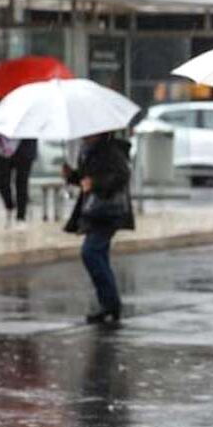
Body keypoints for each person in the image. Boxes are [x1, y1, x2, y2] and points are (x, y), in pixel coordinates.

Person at [63, 131, 135, 326]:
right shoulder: (89, 151)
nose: (85, 135)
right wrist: (73, 176)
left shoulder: (111, 151)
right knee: (97, 254)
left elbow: (121, 176)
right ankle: (109, 305)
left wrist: (95, 183)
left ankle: (111, 304)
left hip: (108, 211)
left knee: (91, 253)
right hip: (96, 211)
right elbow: (87, 179)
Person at [0, 98, 37, 229]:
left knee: (21, 182)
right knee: (2, 180)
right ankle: (10, 205)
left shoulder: (29, 100)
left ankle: (21, 217)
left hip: (25, 146)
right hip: (2, 147)